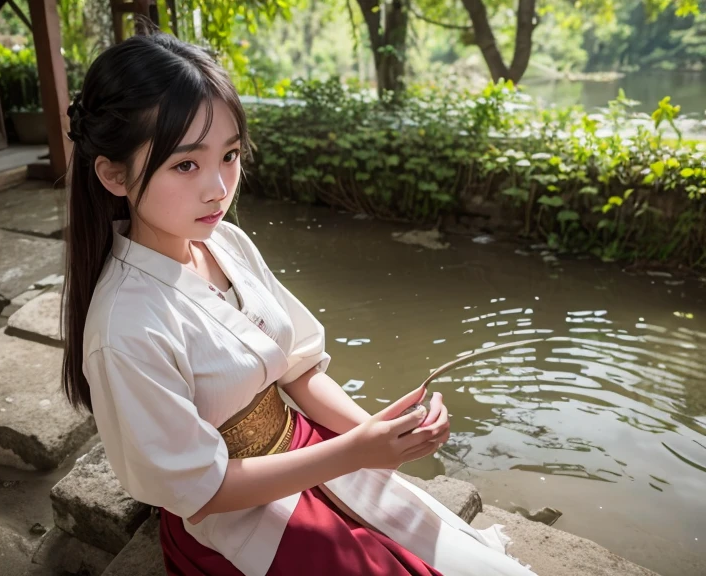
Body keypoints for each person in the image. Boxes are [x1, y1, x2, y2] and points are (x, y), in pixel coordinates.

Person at [61, 31, 535, 576]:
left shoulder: (227, 243)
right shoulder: (125, 326)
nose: (219, 188)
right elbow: (203, 489)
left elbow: (299, 371)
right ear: (114, 174)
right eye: (186, 165)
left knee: (458, 560)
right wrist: (357, 452)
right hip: (233, 513)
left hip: (306, 446)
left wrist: (385, 438)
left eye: (231, 155)